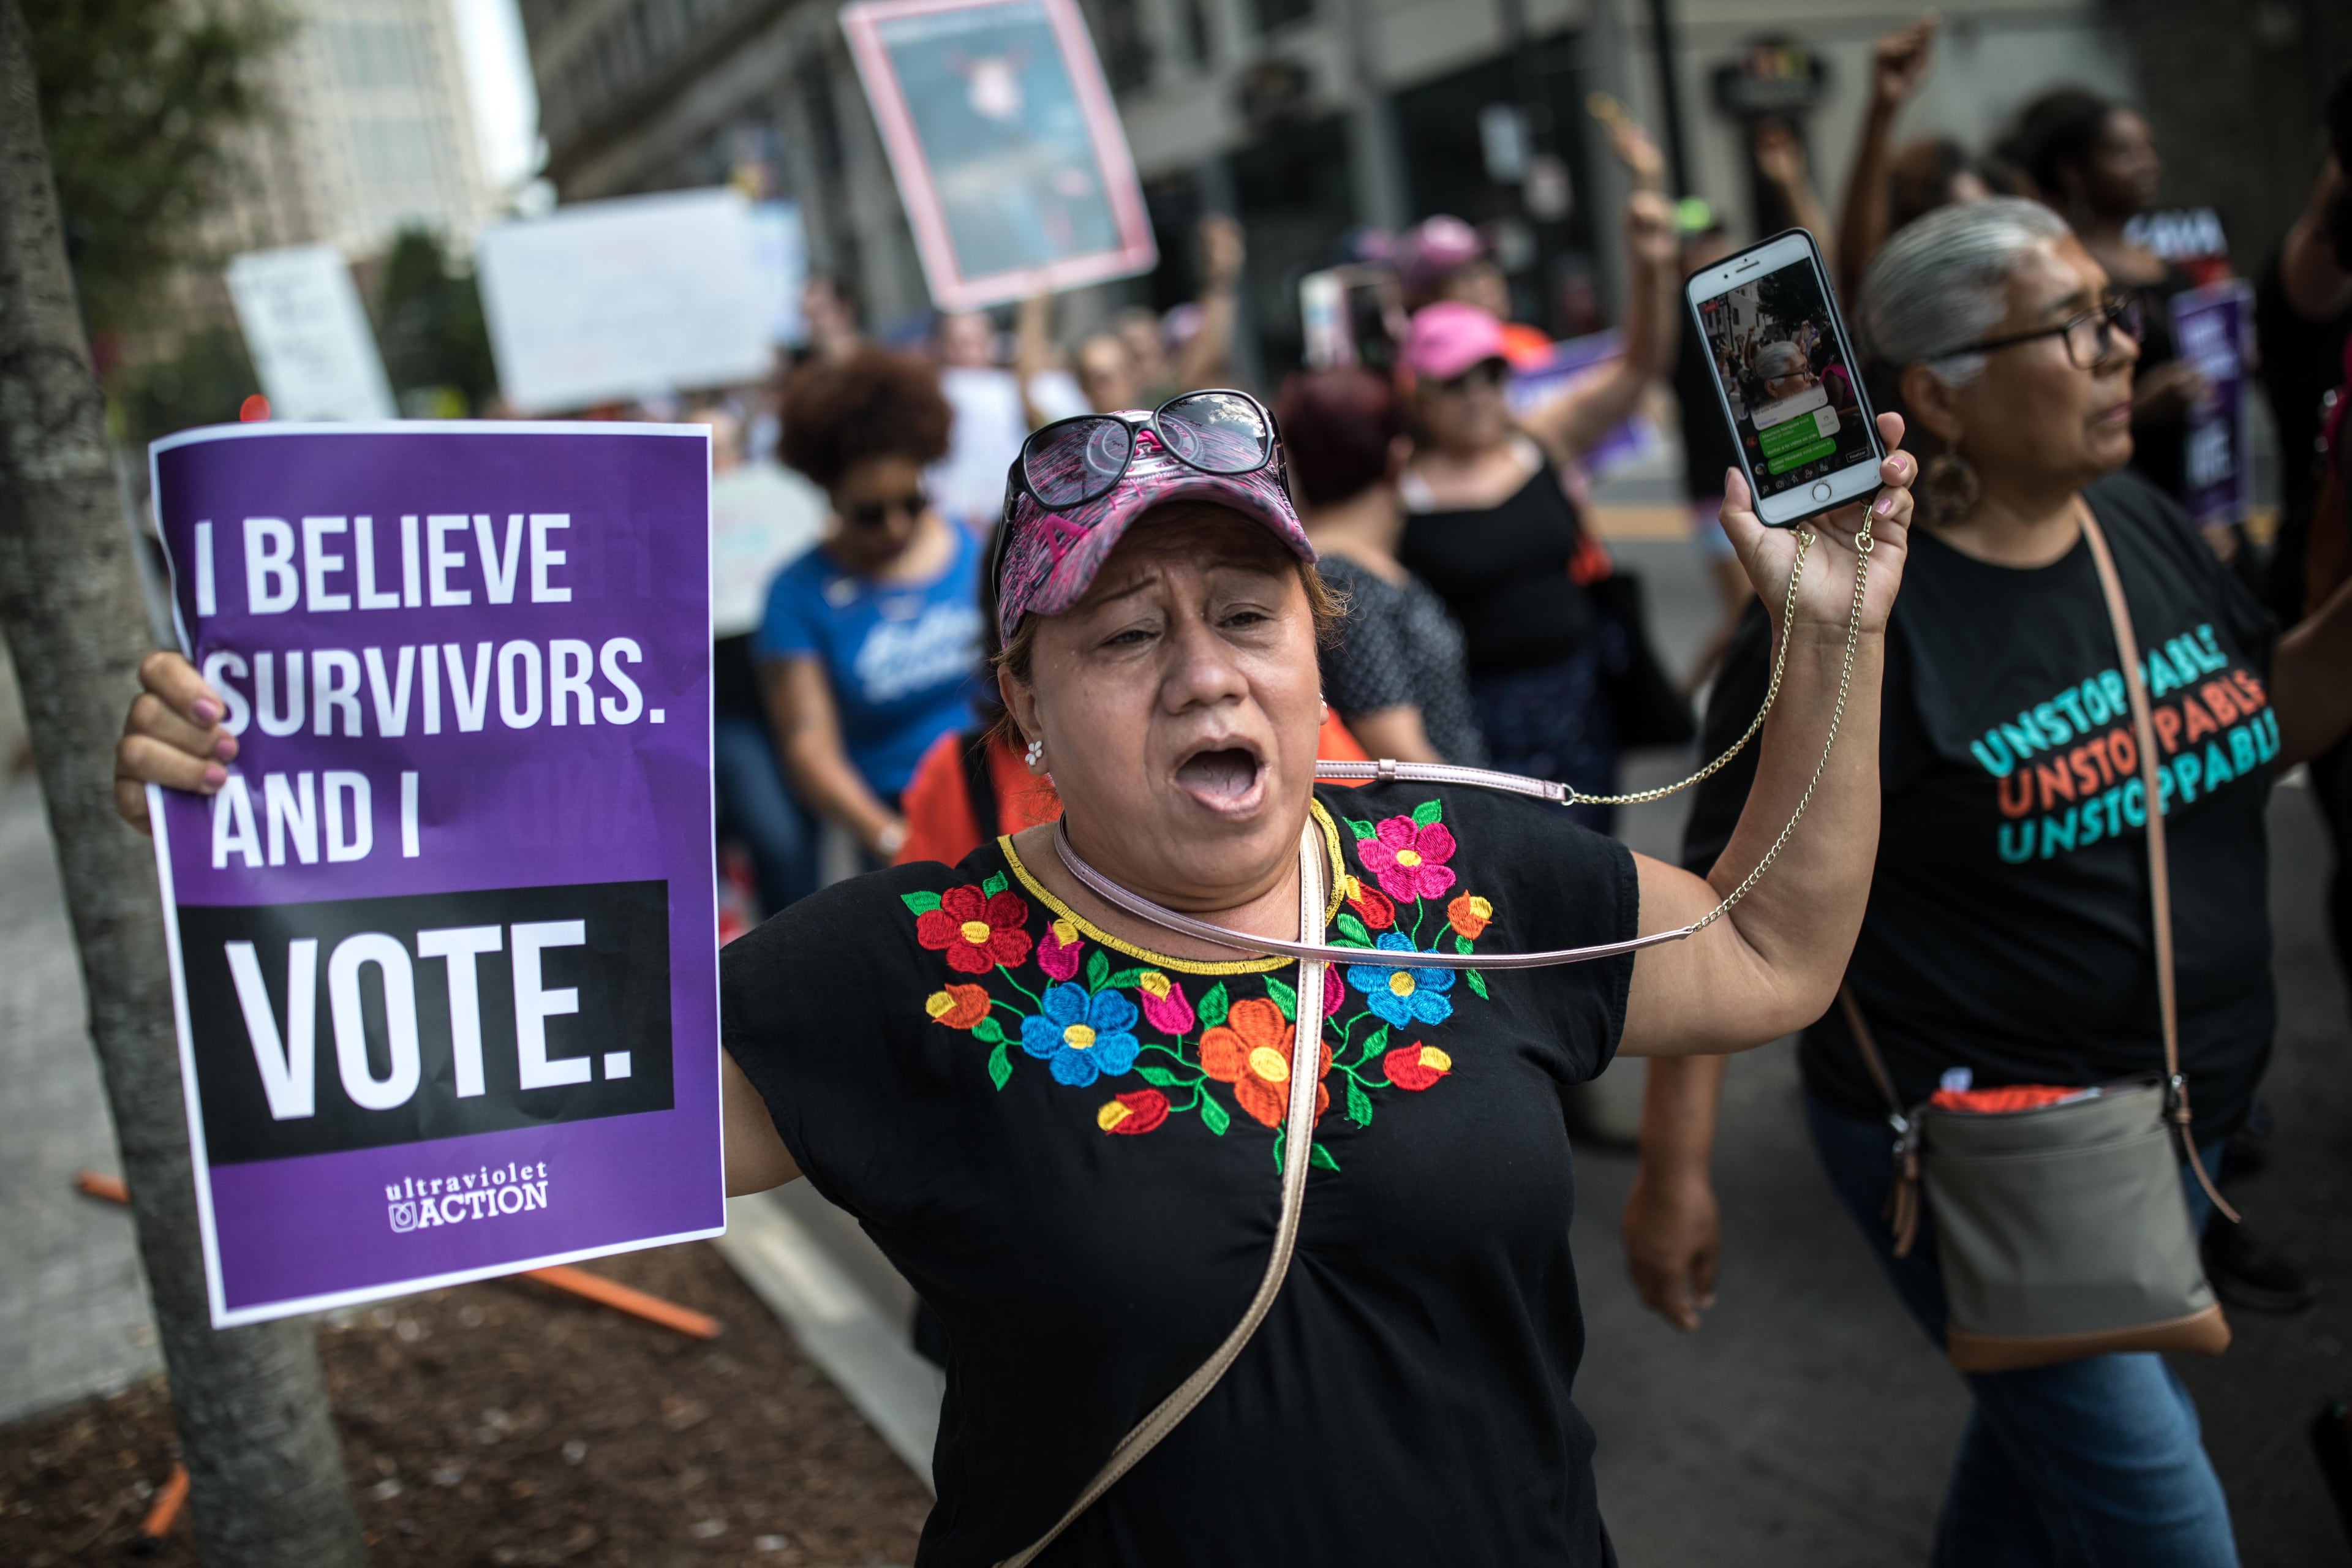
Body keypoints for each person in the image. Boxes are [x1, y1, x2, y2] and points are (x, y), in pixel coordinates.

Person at [116, 364, 1920, 1562]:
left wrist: (1830, 634)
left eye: (1246, 617)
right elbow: (435, 1104)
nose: (1204, 671)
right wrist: (265, 830)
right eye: (1125, 634)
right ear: (1023, 717)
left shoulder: (1466, 873)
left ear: (1316, 648)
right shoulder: (902, 970)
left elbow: (1765, 947)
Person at [1623, 198, 2352, 1566]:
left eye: (2114, 311)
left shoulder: (2135, 521)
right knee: (2165, 1521)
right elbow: (1725, 898)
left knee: (2038, 1472)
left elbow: (2273, 716)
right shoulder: (1844, 615)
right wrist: (1674, 1172)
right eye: (2072, 325)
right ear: (1936, 396)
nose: (2121, 346)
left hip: (2183, 1114)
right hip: (1994, 1150)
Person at [1396, 189, 1679, 828]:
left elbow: (1638, 370)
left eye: (1490, 375)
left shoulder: (1538, 441)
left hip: (1583, 702)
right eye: (1453, 381)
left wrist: (1652, 266)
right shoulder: (1395, 492)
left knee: (1602, 865)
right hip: (1478, 724)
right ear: (1419, 394)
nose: (1475, 396)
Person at [760, 348, 987, 867]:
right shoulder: (795, 594)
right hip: (900, 824)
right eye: (869, 513)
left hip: (1015, 793)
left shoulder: (976, 546)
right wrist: (892, 839)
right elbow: (807, 745)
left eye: (911, 503)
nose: (895, 528)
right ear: (828, 494)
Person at [2013, 89, 2213, 511]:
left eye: (2149, 150)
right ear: (2073, 173)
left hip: (2202, 483)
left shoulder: (2164, 264)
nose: (2148, 165)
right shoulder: (2071, 271)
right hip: (2127, 491)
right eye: (2125, 153)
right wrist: (2140, 407)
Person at [1275, 368, 1485, 766]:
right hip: (1439, 813)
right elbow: (1399, 752)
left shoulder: (1346, 563)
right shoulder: (1345, 579)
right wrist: (1484, 819)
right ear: (1398, 459)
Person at [702, 404, 828, 914]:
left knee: (805, 828)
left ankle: (805, 938)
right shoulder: (659, 510)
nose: (718, 464)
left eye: (722, 450)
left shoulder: (781, 495)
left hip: (794, 683)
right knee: (776, 836)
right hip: (728, 704)